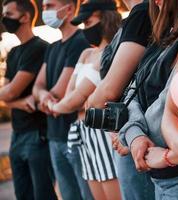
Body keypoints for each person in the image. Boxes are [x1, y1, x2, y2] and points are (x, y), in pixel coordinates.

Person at [116, 0, 178, 199]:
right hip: (156, 168)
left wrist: (133, 134)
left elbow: (168, 105)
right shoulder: (160, 37)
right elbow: (131, 93)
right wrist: (134, 135)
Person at [48, 1, 122, 199]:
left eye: (89, 22)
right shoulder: (87, 53)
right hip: (84, 133)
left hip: (102, 133)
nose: (85, 29)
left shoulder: (113, 52)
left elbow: (74, 100)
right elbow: (71, 95)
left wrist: (58, 106)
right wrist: (69, 102)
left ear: (106, 18)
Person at [84, 0, 154, 199]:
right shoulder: (132, 18)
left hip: (137, 133)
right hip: (125, 132)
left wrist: (91, 100)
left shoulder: (142, 14)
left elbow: (110, 90)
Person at [32, 0, 92, 199]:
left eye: (50, 6)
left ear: (68, 9)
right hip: (54, 135)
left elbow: (61, 93)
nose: (44, 11)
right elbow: (37, 87)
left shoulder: (80, 42)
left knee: (86, 195)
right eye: (43, 7)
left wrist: (47, 98)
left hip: (75, 136)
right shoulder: (53, 47)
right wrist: (43, 96)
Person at [0, 0, 57, 199]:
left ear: (24, 17)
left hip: (37, 135)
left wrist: (10, 98)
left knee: (43, 194)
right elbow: (7, 95)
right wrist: (16, 102)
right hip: (17, 134)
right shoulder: (14, 52)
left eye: (9, 13)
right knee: (22, 194)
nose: (4, 18)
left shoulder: (40, 48)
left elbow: (9, 93)